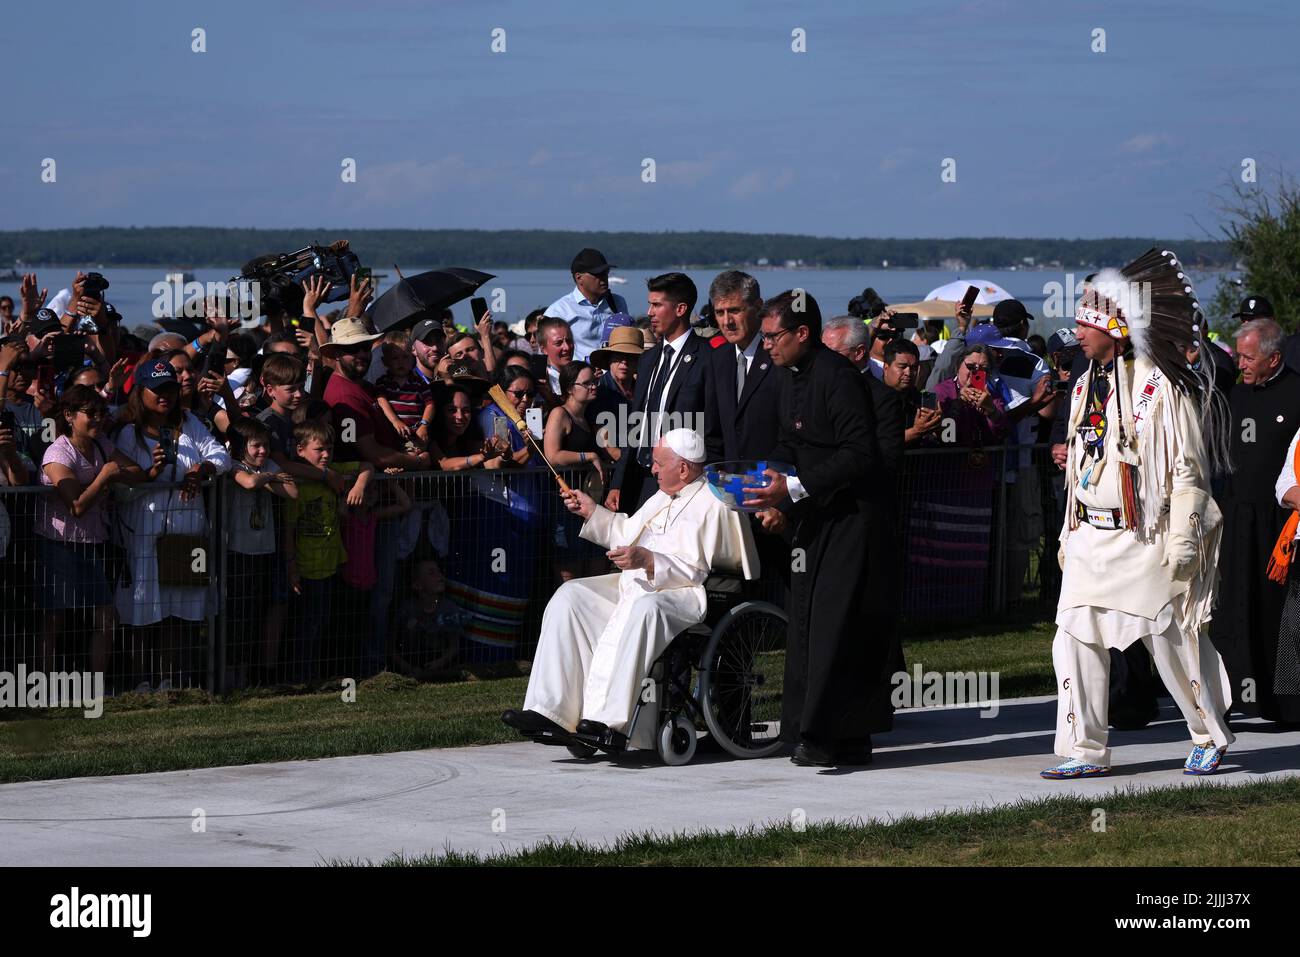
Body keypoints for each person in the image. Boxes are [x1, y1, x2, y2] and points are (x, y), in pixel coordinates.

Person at [1044, 249, 1235, 779]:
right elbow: (1081, 462)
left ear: (1116, 327)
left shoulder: (1162, 390)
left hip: (1144, 535)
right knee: (1074, 640)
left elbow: (1188, 472)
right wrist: (1069, 529)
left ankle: (1207, 733)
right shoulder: (1084, 384)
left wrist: (1184, 540)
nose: (1078, 332)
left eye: (1086, 322)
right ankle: (1083, 749)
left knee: (1172, 640)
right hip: (1091, 537)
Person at [503, 429, 758, 750]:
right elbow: (626, 531)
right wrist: (591, 511)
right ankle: (550, 711)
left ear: (683, 468)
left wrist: (650, 560)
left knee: (644, 610)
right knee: (570, 597)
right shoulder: (662, 496)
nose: (652, 470)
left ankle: (610, 723)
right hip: (634, 585)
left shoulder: (714, 502)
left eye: (658, 463)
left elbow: (701, 570)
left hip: (681, 593)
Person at [744, 290, 887, 768]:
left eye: (772, 336)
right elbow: (789, 440)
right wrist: (773, 491)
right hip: (812, 516)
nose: (766, 345)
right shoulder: (788, 376)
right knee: (806, 623)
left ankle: (834, 735)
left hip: (849, 517)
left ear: (802, 332)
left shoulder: (840, 377)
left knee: (836, 626)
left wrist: (795, 487)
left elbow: (859, 453)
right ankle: (805, 730)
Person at [112, 359, 233, 690]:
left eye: (169, 388)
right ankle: (140, 683)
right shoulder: (128, 433)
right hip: (144, 531)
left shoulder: (190, 422)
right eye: (157, 389)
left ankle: (174, 681)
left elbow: (222, 456)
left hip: (187, 529)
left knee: (181, 607)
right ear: (141, 391)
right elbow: (120, 488)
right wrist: (149, 475)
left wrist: (201, 469)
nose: (165, 395)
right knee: (143, 608)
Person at [1212, 318, 1300, 724]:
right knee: (1234, 606)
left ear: (1274, 358)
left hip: (1279, 523)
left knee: (1276, 611)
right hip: (1237, 517)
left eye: (1249, 357)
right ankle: (1232, 695)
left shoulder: (1297, 393)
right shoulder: (1235, 394)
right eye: (1239, 356)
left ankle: (1281, 701)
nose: (1241, 363)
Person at [35, 385, 148, 679]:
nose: (98, 419)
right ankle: (46, 686)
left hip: (92, 543)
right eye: (91, 413)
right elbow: (76, 505)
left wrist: (113, 474)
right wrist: (105, 478)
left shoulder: (101, 445)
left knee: (106, 617)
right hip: (57, 544)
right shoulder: (58, 452)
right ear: (69, 416)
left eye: (101, 412)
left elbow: (137, 471)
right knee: (55, 619)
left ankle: (96, 686)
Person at [607, 273, 711, 515]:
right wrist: (618, 482)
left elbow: (714, 425)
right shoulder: (648, 359)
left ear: (680, 309)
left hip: (683, 483)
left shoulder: (707, 359)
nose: (650, 312)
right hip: (640, 478)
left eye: (657, 305)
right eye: (649, 304)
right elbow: (635, 422)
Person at [281, 420, 372, 682]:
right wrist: (291, 565)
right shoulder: (297, 485)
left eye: (329, 449)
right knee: (305, 627)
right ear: (300, 450)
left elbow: (367, 466)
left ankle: (315, 674)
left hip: (331, 564)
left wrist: (358, 486)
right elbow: (289, 530)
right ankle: (299, 678)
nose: (325, 455)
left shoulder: (336, 472)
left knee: (322, 623)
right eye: (319, 449)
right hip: (306, 567)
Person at [224, 417, 298, 686]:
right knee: (236, 616)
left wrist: (267, 476)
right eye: (256, 446)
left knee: (255, 614)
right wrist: (270, 478)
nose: (263, 452)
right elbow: (247, 483)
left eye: (266, 446)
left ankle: (248, 674)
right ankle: (230, 675)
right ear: (241, 446)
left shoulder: (268, 466)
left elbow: (292, 491)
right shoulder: (232, 464)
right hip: (237, 551)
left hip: (263, 551)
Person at [702, 270, 783, 463]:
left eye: (735, 311)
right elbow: (713, 432)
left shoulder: (780, 357)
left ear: (758, 307)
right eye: (720, 313)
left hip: (773, 481)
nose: (727, 322)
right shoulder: (717, 359)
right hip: (728, 483)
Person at [545, 361, 611, 581]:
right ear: (570, 389)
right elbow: (552, 455)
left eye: (594, 382)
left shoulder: (590, 417)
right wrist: (588, 456)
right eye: (587, 383)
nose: (593, 387)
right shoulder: (560, 414)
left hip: (590, 506)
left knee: (596, 574)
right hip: (565, 507)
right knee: (571, 578)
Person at [545, 248, 630, 362]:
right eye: (598, 274)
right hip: (579, 377)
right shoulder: (559, 311)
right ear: (579, 278)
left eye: (605, 273)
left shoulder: (618, 302)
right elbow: (548, 355)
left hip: (614, 376)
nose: (604, 278)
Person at [373, 331, 435, 452]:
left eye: (405, 357)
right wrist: (395, 421)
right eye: (395, 358)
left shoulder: (418, 383)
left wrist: (424, 425)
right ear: (385, 361)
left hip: (415, 434)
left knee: (421, 455)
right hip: (391, 435)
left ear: (412, 358)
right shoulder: (383, 382)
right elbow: (381, 400)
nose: (401, 362)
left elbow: (430, 404)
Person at [587, 326, 643, 458]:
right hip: (614, 468)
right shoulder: (599, 393)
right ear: (609, 359)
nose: (624, 362)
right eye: (619, 356)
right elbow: (606, 445)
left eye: (630, 356)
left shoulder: (645, 390)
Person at [529, 316, 575, 411]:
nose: (567, 347)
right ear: (543, 349)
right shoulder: (538, 381)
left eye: (569, 341)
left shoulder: (581, 375)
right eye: (559, 343)